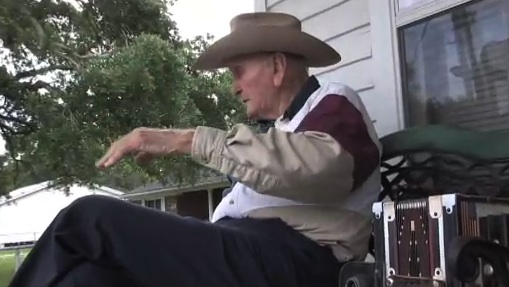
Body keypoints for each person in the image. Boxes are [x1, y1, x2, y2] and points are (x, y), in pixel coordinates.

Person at [8, 12, 381, 287]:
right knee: (88, 279)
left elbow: (325, 168)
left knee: (90, 217)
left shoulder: (333, 103)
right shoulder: (279, 130)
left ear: (278, 67)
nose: (234, 87)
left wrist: (186, 140)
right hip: (246, 252)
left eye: (237, 71)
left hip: (298, 261)